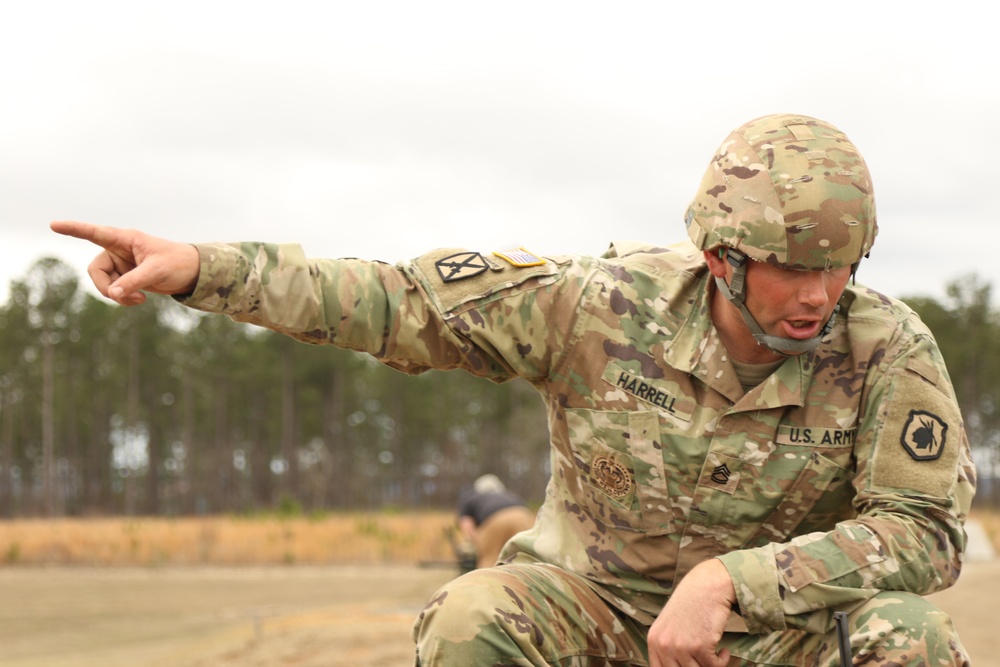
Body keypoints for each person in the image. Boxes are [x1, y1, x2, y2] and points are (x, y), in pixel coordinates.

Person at [52, 113, 976, 667]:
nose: (819, 292)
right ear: (721, 255)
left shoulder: (886, 346)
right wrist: (204, 269)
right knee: (471, 616)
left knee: (909, 635)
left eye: (841, 266)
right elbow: (394, 300)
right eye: (790, 267)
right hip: (597, 616)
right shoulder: (599, 307)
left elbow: (926, 530)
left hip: (773, 634)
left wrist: (732, 581)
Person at [457, 474, 536, 570]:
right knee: (526, 559)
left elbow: (467, 525)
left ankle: (487, 583)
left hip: (496, 517)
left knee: (489, 562)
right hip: (524, 515)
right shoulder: (509, 495)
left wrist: (478, 543)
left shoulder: (470, 497)